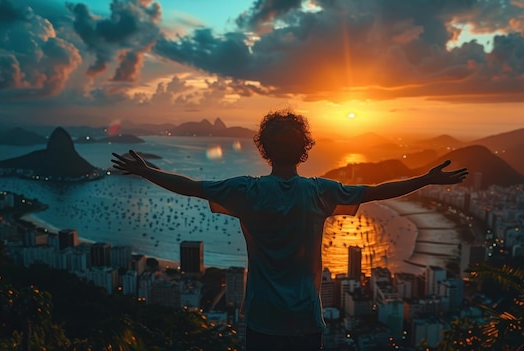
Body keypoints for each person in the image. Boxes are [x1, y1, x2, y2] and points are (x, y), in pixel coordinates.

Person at [111, 109, 468, 351]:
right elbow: (376, 191)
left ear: (265, 149)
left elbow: (191, 185)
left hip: (262, 317)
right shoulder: (320, 192)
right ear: (304, 149)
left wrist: (147, 172)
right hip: (304, 318)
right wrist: (426, 179)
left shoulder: (246, 191)